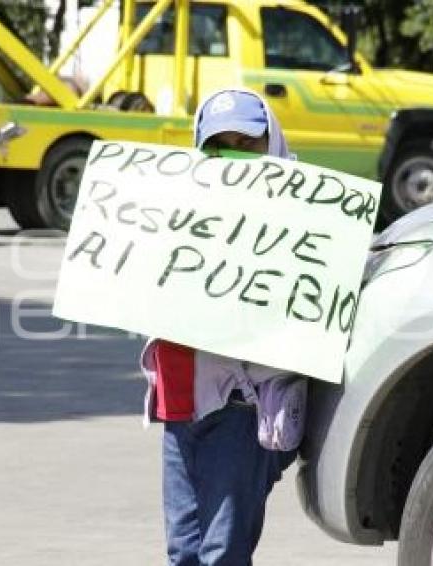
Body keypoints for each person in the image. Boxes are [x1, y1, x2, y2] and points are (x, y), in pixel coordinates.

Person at [140, 88, 304, 565]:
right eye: (218, 143)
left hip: (241, 407)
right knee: (184, 553)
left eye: (245, 142)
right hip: (180, 403)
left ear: (269, 144)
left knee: (221, 554)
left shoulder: (300, 214)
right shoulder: (181, 203)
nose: (231, 154)